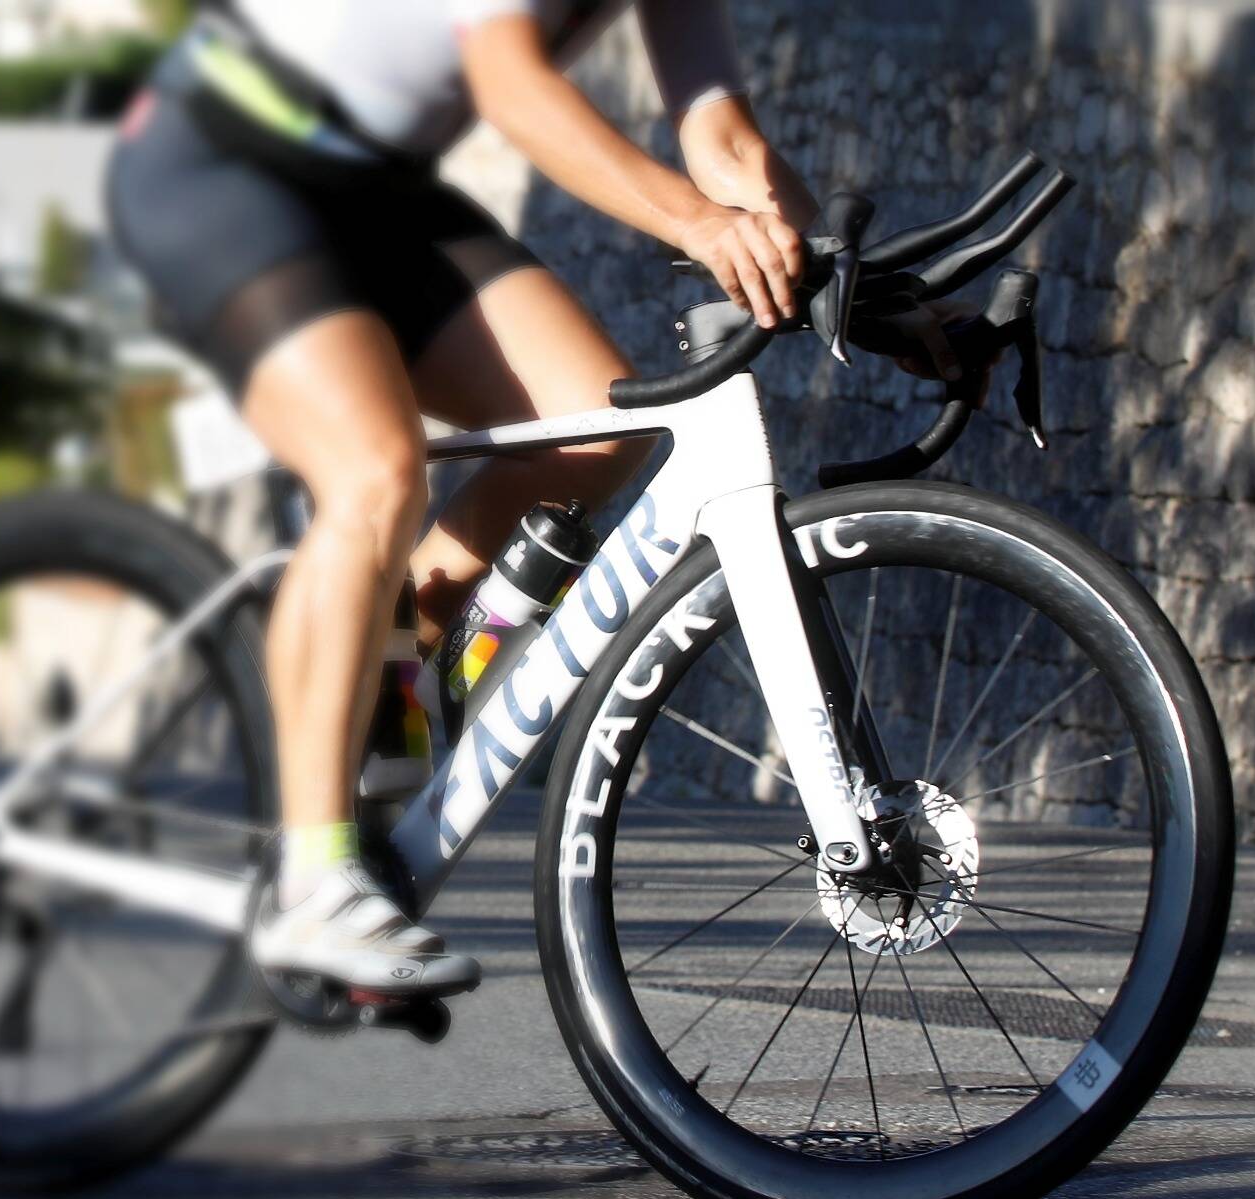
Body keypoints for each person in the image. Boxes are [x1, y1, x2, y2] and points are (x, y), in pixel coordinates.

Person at [105, 1, 821, 997]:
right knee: (372, 469)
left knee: (597, 427)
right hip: (227, 157)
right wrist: (699, 227)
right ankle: (310, 878)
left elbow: (727, 141)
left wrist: (864, 295)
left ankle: (385, 659)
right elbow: (510, 85)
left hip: (373, 194)